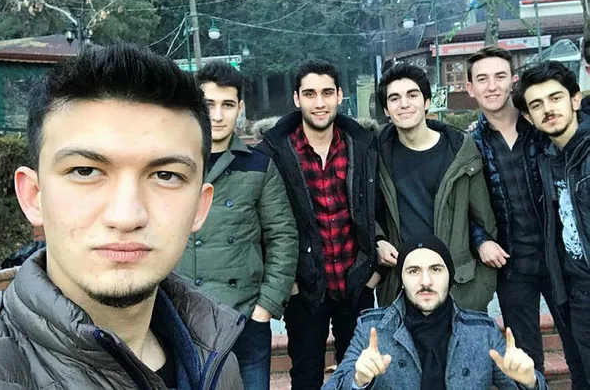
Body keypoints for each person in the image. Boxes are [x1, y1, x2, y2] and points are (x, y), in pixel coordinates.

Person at [0, 44, 244, 389]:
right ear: (34, 195)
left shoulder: (217, 360)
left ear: (200, 207)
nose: (126, 216)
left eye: (166, 175)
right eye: (85, 171)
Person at [257, 59, 380, 389]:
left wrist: (374, 272)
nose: (319, 102)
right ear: (297, 99)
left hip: (355, 282)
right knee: (306, 376)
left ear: (339, 95)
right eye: (310, 94)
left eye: (327, 93)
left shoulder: (362, 145)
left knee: (360, 374)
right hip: (305, 288)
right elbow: (264, 220)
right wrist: (288, 282)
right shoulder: (276, 151)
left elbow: (379, 208)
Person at [466, 46, 585, 386]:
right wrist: (480, 240)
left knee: (579, 345)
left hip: (560, 259)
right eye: (482, 79)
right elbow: (461, 205)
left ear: (513, 81)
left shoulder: (541, 126)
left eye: (500, 76)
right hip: (512, 266)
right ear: (470, 88)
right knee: (525, 358)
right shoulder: (468, 144)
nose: (492, 86)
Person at [175, 61, 298, 389]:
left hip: (243, 317)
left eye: (227, 105)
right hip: (184, 313)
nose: (217, 115)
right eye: (208, 104)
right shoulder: (172, 162)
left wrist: (266, 306)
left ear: (240, 108)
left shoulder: (259, 165)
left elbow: (283, 236)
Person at [323, 235, 549, 390]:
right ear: (402, 280)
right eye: (413, 271)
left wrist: (530, 383)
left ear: (449, 277)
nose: (426, 281)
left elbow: (524, 383)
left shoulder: (482, 332)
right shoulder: (372, 329)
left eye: (436, 269)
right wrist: (358, 380)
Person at [374, 63, 497, 312]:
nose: (404, 104)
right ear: (386, 110)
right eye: (394, 98)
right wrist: (378, 240)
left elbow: (484, 221)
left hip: (457, 286)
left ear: (427, 102)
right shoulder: (376, 154)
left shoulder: (460, 151)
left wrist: (481, 291)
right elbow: (367, 211)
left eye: (412, 95)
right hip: (401, 285)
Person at [513, 60, 590, 387]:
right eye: (537, 104)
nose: (548, 109)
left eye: (555, 98)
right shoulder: (547, 160)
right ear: (529, 117)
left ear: (575, 99)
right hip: (576, 295)